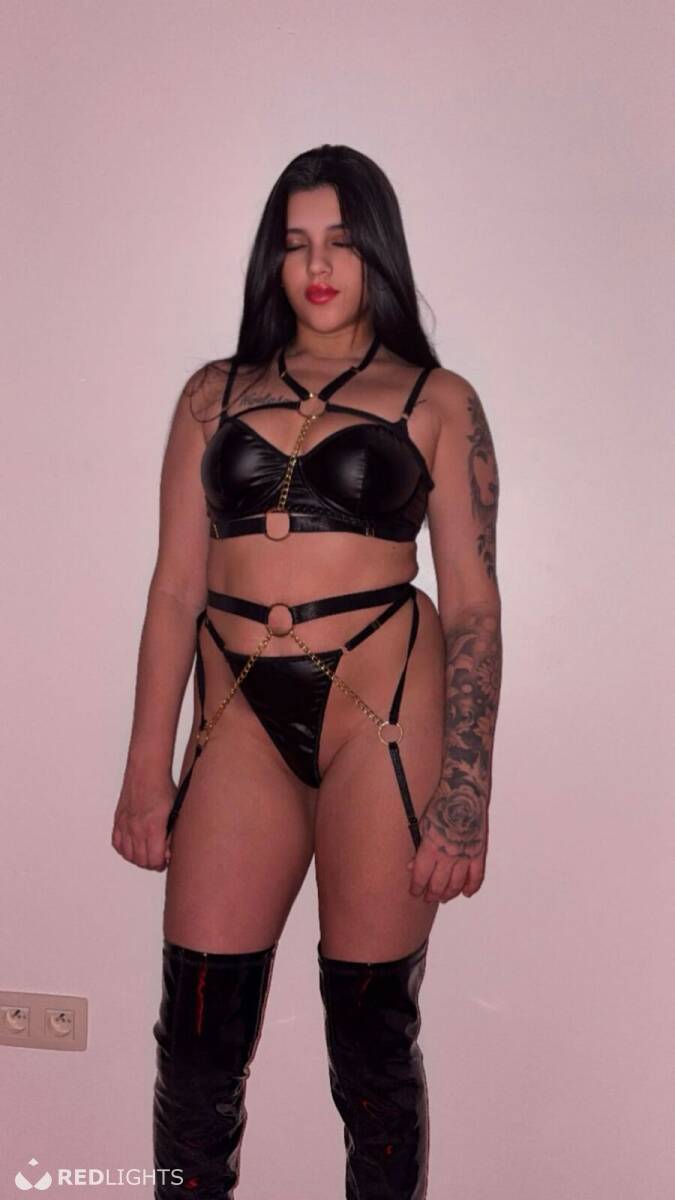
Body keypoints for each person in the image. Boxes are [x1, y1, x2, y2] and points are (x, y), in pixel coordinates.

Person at [111, 143, 502, 1200]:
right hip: (238, 713)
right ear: (271, 261)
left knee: (370, 1047)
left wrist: (465, 790)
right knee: (196, 1045)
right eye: (295, 244)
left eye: (340, 241)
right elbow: (173, 590)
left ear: (378, 252)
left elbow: (472, 605)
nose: (318, 266)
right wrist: (146, 769)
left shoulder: (438, 400)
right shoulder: (211, 394)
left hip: (383, 713)